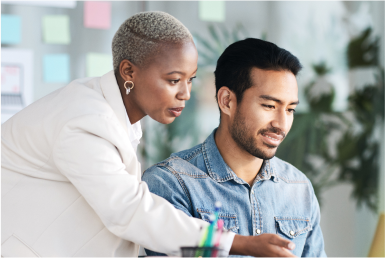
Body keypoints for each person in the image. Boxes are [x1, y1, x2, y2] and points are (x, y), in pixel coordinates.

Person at [0, 12, 296, 258]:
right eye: (173, 80)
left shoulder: (112, 116)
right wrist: (238, 243)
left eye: (190, 80)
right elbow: (129, 210)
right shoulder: (82, 121)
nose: (185, 94)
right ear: (128, 71)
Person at [143, 38, 328, 257]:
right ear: (227, 101)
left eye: (290, 110)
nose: (281, 124)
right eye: (269, 106)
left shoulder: (298, 188)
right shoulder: (171, 184)